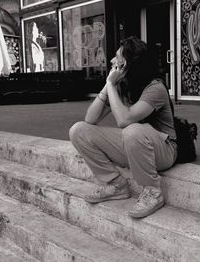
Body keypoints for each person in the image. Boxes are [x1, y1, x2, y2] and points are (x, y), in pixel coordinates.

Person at [69, 36, 177, 218]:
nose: (112, 61)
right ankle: (116, 184)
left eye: (117, 57)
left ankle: (153, 192)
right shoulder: (122, 86)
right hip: (134, 145)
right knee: (78, 130)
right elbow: (90, 118)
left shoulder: (155, 88)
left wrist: (111, 84)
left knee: (131, 130)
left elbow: (124, 120)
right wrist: (108, 85)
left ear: (128, 64)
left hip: (164, 150)